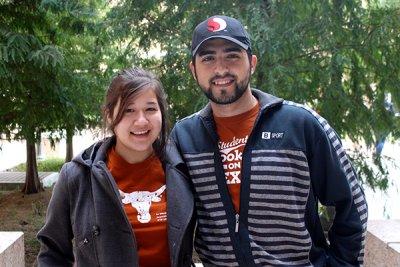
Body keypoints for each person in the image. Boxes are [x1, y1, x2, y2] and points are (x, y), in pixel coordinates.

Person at [168, 15, 368, 266]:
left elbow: (350, 205)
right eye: (208, 58)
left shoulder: (301, 124)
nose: (220, 69)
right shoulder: (184, 137)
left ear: (251, 63)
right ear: (193, 69)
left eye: (232, 55)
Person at [37, 67, 193, 266]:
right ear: (109, 115)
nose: (141, 121)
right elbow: (52, 253)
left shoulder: (182, 169)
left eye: (150, 109)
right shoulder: (77, 176)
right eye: (129, 110)